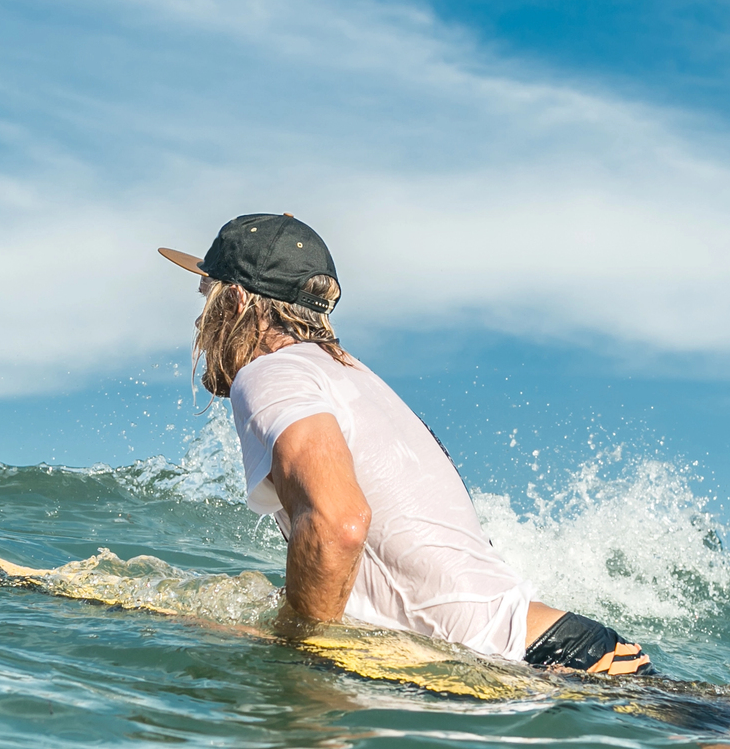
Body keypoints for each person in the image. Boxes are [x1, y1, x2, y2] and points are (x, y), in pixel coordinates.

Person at [160, 213, 652, 675]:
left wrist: (294, 653)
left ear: (236, 302)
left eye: (207, 292)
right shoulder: (348, 376)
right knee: (720, 747)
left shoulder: (272, 373)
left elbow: (339, 524)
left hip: (536, 666)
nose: (199, 320)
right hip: (568, 653)